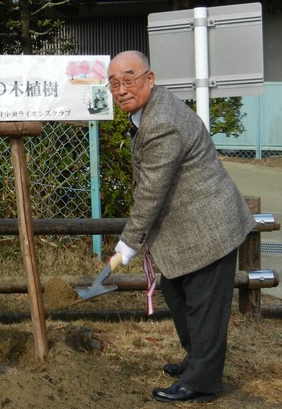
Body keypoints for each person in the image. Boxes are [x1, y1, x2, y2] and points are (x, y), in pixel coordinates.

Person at [107, 51, 255, 403]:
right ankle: (196, 360)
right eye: (114, 83)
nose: (122, 89)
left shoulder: (162, 122)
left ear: (150, 78)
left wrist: (127, 245)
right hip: (187, 227)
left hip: (209, 227)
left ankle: (202, 382)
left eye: (129, 79)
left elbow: (151, 193)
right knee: (178, 293)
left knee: (204, 306)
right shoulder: (148, 111)